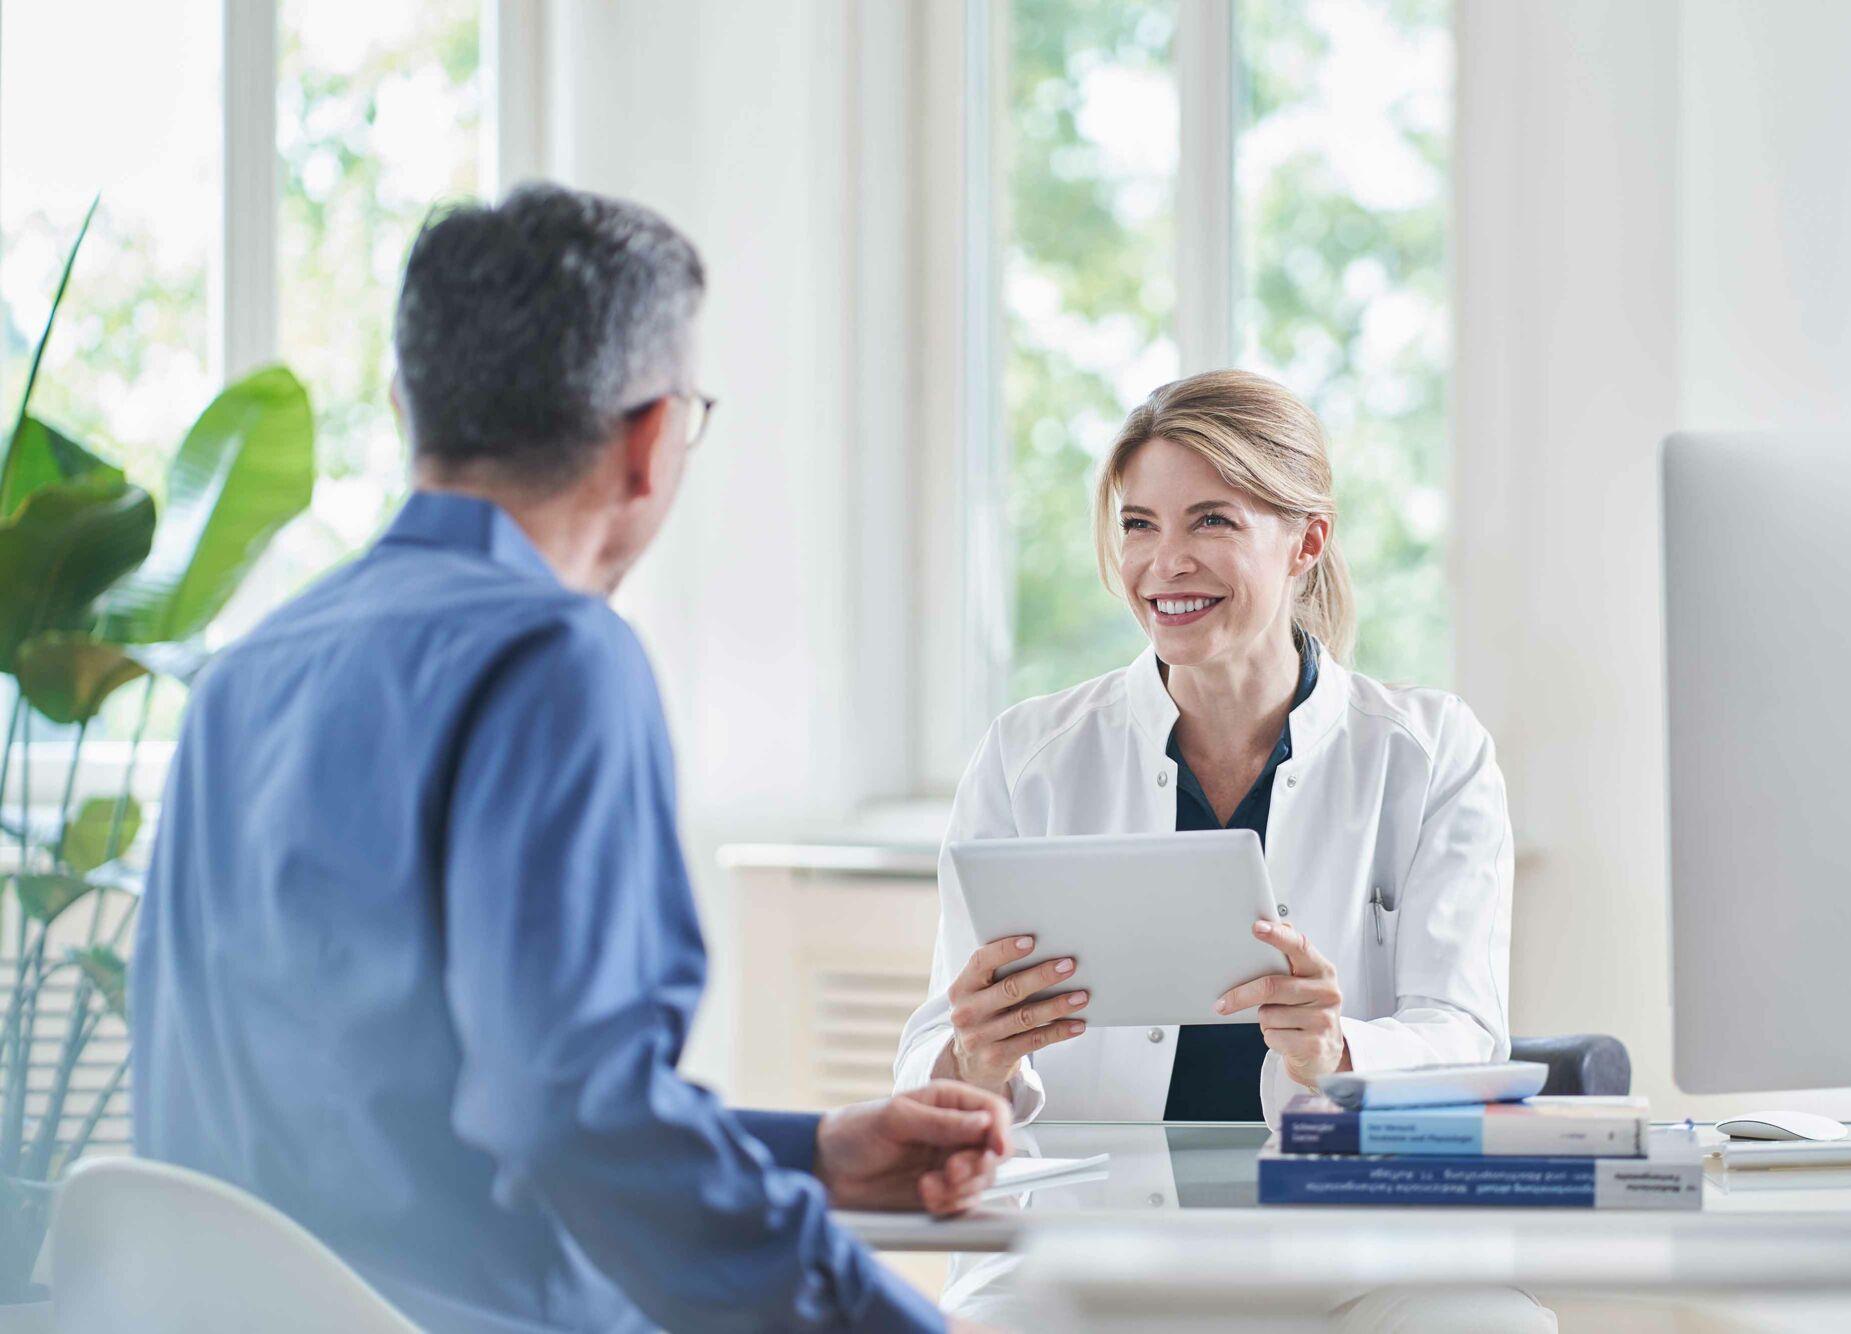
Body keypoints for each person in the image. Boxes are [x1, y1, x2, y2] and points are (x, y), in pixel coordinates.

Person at [130, 184, 1008, 1334]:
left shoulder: (246, 673)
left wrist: (816, 1153)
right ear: (649, 439)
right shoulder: (556, 653)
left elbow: (411, 1123)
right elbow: (567, 1115)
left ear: (409, 405)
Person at [893, 369, 1513, 1128]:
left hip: (1331, 1220)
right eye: (1140, 524)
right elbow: (935, 1047)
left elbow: (1469, 1037)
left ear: (1306, 541)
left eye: (1211, 521)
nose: (1166, 562)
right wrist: (975, 1061)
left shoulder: (1431, 753)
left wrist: (1336, 1051)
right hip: (1085, 1223)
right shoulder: (1027, 757)